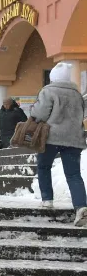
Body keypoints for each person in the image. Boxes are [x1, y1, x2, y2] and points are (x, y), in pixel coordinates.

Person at [30, 62, 87, 225]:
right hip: (74, 139)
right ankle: (81, 207)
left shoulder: (48, 91)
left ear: (53, 77)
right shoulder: (76, 94)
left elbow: (40, 113)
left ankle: (47, 199)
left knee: (43, 166)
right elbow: (83, 113)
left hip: (51, 138)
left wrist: (34, 113)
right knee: (74, 174)